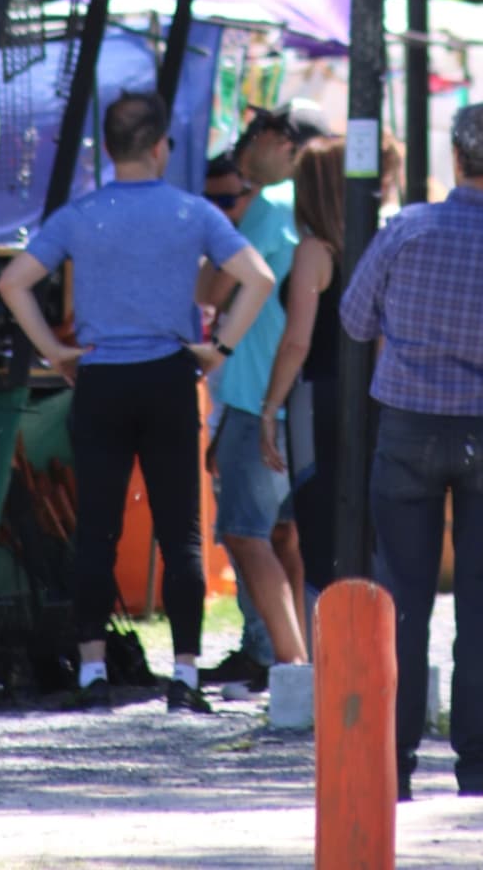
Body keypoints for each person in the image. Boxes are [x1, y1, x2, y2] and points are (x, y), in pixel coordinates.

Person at [0, 89, 274, 714]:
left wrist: (55, 353)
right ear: (160, 148)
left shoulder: (81, 214)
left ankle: (94, 672)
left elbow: (14, 281)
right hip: (171, 376)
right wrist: (219, 350)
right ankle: (183, 673)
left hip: (100, 379)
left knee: (95, 529)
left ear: (110, 148)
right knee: (182, 533)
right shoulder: (192, 212)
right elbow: (259, 277)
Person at [340, 103, 483, 802]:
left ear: (457, 159)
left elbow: (353, 315)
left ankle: (391, 764)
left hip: (407, 426)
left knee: (400, 601)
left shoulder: (405, 229)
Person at [205, 106, 326, 686]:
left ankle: (291, 663)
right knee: (284, 535)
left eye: (250, 138)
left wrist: (208, 231)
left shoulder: (272, 206)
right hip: (302, 398)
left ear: (279, 141)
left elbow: (212, 287)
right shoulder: (323, 210)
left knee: (244, 532)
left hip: (257, 395)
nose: (241, 150)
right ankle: (303, 654)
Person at [258, 135, 345, 612]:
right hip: (368, 397)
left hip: (316, 394)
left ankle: (324, 662)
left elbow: (297, 341)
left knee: (316, 521)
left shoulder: (316, 249)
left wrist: (269, 408)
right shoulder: (371, 241)